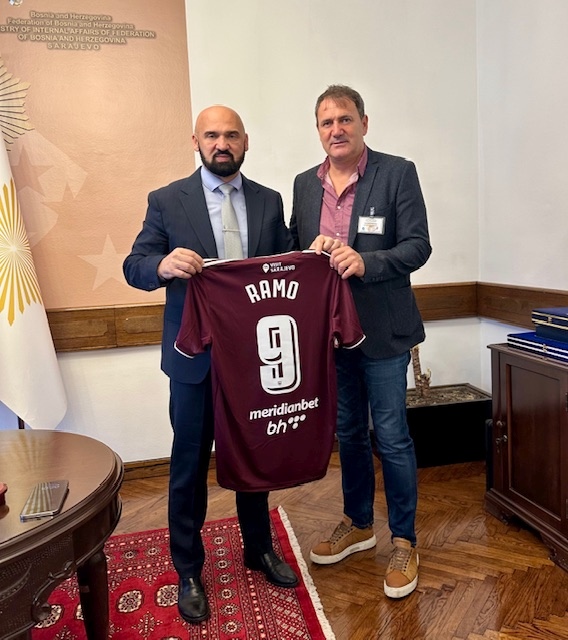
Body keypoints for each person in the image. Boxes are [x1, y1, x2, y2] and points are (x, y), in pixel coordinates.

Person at [123, 105, 297, 625]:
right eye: (212, 135)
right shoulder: (166, 200)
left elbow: (288, 265)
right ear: (196, 141)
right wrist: (161, 265)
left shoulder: (269, 201)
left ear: (246, 141)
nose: (222, 144)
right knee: (189, 463)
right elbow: (134, 265)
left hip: (253, 358)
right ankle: (188, 570)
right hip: (194, 360)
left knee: (253, 456)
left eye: (232, 135)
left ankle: (258, 548)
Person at [289, 85, 432, 599]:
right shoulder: (304, 184)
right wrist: (310, 252)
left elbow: (418, 246)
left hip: (384, 332)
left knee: (390, 436)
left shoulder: (397, 173)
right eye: (326, 122)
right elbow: (293, 249)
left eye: (345, 119)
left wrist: (366, 261)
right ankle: (358, 523)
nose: (337, 130)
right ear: (318, 130)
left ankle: (404, 539)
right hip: (331, 336)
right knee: (348, 433)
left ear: (364, 123)